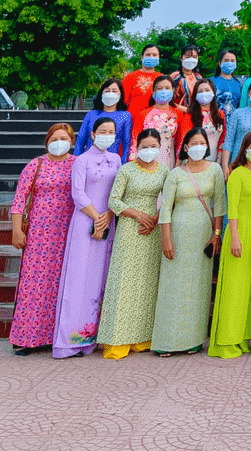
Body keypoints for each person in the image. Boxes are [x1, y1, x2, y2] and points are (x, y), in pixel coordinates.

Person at [151, 128, 225, 356]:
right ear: (184, 147)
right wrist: (166, 239)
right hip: (178, 232)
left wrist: (216, 234)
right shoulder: (175, 173)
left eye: (202, 143)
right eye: (193, 143)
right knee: (173, 287)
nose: (197, 147)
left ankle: (192, 339)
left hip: (204, 233)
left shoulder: (215, 170)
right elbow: (165, 207)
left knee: (198, 288)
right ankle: (167, 341)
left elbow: (220, 204)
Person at [97, 128, 169, 359]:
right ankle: (117, 340)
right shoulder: (126, 169)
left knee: (147, 283)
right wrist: (139, 216)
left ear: (160, 147)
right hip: (130, 227)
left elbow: (168, 200)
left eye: (153, 147)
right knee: (124, 282)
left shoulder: (165, 171)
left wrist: (155, 219)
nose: (149, 151)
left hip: (153, 230)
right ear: (137, 148)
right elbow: (114, 201)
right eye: (144, 147)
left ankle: (142, 338)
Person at [52, 117, 121, 358]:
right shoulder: (82, 160)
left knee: (99, 277)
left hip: (108, 221)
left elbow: (118, 191)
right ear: (92, 134)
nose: (107, 135)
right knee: (78, 277)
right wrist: (97, 217)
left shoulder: (117, 159)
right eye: (103, 131)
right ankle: (68, 341)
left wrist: (109, 215)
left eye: (111, 131)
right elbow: (77, 192)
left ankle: (90, 338)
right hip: (85, 221)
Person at [9, 123, 76, 353]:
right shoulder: (35, 165)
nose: (59, 142)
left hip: (68, 233)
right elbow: (19, 200)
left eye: (64, 138)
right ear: (47, 141)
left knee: (61, 284)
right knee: (33, 284)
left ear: (72, 141)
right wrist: (17, 231)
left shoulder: (77, 165)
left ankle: (55, 336)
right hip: (39, 235)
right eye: (54, 138)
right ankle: (26, 338)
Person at [208, 132, 251, 358]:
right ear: (244, 149)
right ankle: (226, 341)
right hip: (238, 234)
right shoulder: (237, 174)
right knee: (233, 289)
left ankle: (242, 337)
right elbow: (231, 208)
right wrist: (233, 237)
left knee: (248, 289)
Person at [129, 75, 181, 169]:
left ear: (173, 90)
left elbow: (181, 139)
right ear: (153, 92)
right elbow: (135, 138)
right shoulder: (143, 114)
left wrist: (178, 163)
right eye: (159, 88)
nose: (163, 91)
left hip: (168, 159)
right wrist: (133, 162)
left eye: (167, 88)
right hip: (144, 159)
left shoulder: (178, 113)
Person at [74, 77, 132, 161]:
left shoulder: (125, 116)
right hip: (89, 160)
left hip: (112, 161)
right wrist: (76, 160)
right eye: (107, 91)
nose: (110, 93)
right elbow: (80, 140)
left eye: (114, 91)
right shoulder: (91, 114)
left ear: (120, 95)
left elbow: (126, 144)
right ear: (102, 93)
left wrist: (123, 165)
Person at [177, 78, 226, 162]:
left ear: (213, 93)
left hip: (214, 161)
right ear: (195, 95)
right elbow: (182, 142)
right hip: (192, 161)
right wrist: (178, 165)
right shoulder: (189, 116)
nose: (204, 93)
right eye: (200, 91)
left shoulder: (220, 114)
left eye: (207, 90)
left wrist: (219, 161)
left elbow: (222, 139)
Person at [122, 44, 161, 118]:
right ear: (142, 57)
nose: (151, 57)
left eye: (154, 55)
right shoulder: (130, 77)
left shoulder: (162, 78)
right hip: (133, 119)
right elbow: (123, 101)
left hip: (155, 119)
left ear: (158, 57)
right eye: (148, 54)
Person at [211, 48, 243, 118]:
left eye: (232, 61)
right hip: (216, 121)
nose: (229, 63)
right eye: (226, 60)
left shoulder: (237, 83)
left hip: (233, 122)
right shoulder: (212, 81)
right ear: (219, 63)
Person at [171, 45, 202, 112]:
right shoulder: (175, 77)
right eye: (187, 57)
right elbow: (167, 100)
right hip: (178, 114)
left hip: (197, 115)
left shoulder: (198, 77)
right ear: (181, 58)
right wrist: (187, 110)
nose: (191, 60)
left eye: (194, 57)